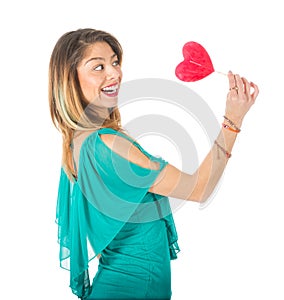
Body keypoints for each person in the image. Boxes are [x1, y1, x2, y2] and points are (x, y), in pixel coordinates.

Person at [49, 28, 259, 300]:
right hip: (134, 288)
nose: (114, 73)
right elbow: (199, 189)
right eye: (98, 67)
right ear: (70, 79)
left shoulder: (77, 141)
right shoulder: (108, 144)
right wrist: (233, 120)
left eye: (114, 62)